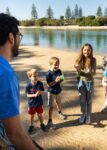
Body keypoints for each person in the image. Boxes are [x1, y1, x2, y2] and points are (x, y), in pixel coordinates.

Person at [0, 13, 37, 149]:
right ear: (11, 37)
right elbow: (16, 136)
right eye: (19, 36)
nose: (19, 40)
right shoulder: (5, 74)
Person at [74, 43, 96, 124]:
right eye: (85, 50)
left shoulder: (93, 60)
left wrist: (90, 72)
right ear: (82, 50)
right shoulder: (79, 59)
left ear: (91, 51)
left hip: (90, 82)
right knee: (82, 100)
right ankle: (83, 114)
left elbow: (94, 73)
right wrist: (78, 70)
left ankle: (88, 115)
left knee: (89, 100)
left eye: (88, 50)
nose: (86, 51)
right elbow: (78, 73)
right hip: (81, 82)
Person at [46, 57, 67, 129]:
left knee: (58, 103)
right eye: (55, 64)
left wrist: (61, 80)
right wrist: (55, 81)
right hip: (51, 92)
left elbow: (61, 79)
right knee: (51, 107)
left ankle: (60, 113)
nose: (57, 66)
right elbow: (48, 85)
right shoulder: (48, 73)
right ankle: (49, 121)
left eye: (58, 64)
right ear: (50, 64)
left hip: (58, 90)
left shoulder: (59, 71)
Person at [25, 69, 47, 134]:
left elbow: (42, 91)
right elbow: (28, 95)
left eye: (37, 76)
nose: (36, 77)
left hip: (39, 102)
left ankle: (42, 124)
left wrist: (40, 92)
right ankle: (31, 125)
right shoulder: (28, 86)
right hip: (31, 103)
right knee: (31, 115)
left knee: (40, 114)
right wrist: (34, 94)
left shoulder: (40, 83)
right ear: (30, 77)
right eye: (34, 76)